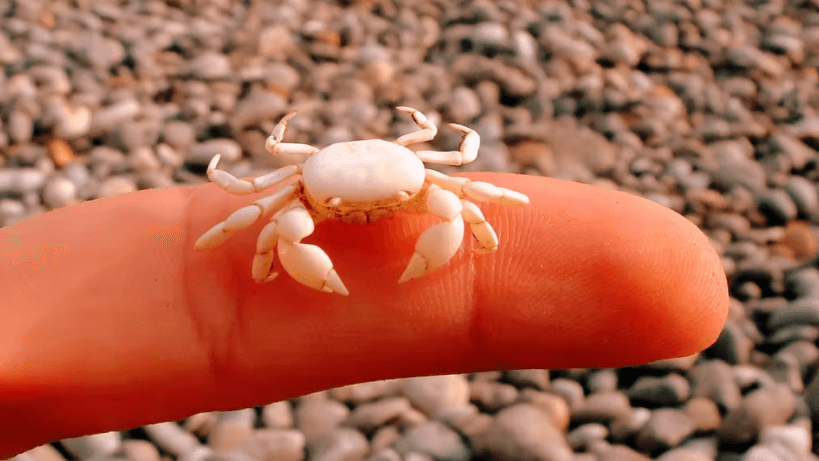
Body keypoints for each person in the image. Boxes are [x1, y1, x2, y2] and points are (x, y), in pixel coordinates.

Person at [0, 172, 728, 456]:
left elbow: (466, 185)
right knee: (259, 231)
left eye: (373, 209)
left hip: (392, 173)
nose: (362, 216)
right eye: (345, 210)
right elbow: (244, 200)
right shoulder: (301, 189)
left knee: (474, 217)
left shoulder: (424, 183)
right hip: (331, 178)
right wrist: (267, 261)